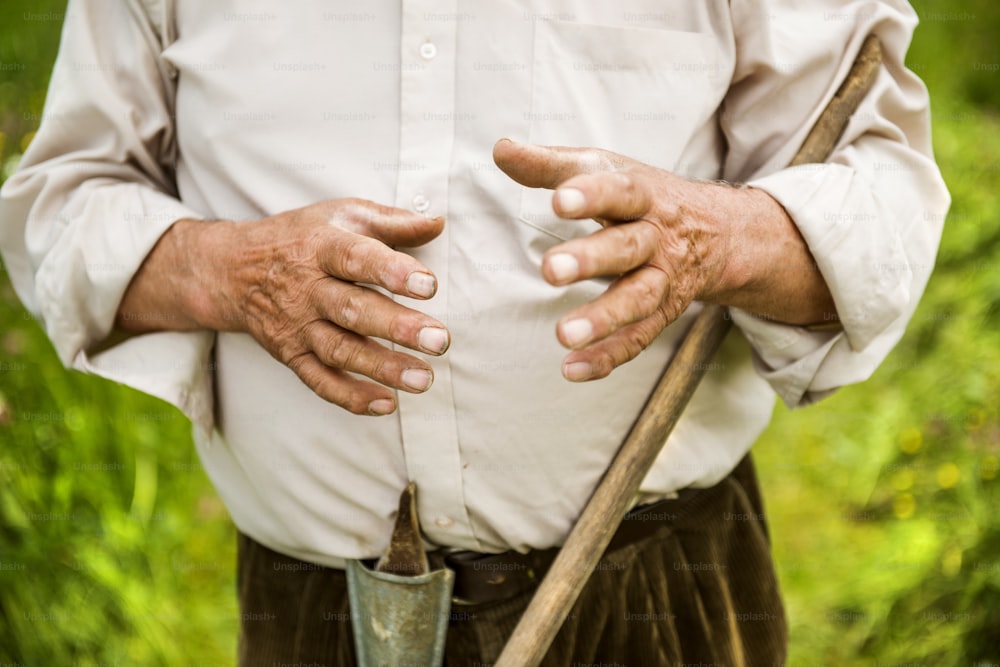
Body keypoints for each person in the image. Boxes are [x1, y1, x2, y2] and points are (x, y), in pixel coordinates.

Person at [0, 0, 948, 664]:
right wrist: (226, 270)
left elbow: (887, 199)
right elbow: (61, 205)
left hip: (653, 597)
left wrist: (724, 238)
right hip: (311, 615)